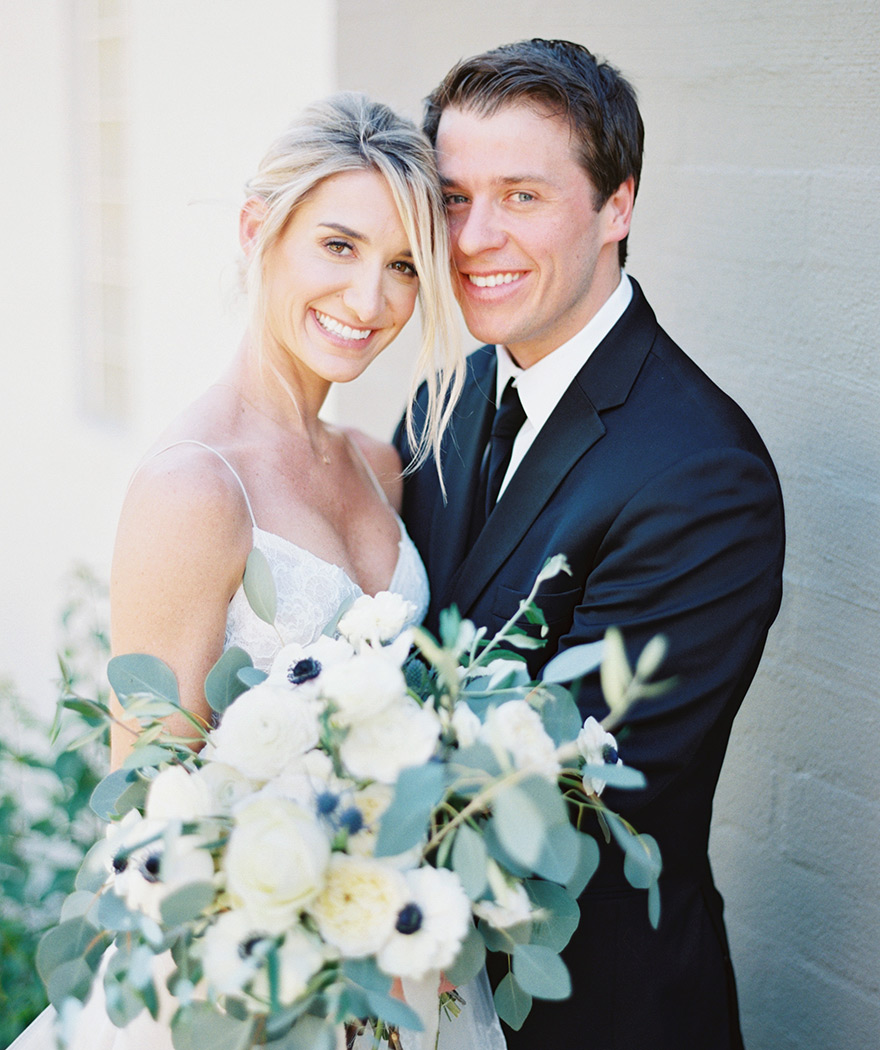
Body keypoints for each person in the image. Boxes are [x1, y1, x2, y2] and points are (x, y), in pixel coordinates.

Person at [11, 93, 505, 1050]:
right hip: (257, 983)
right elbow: (149, 814)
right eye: (339, 246)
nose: (370, 302)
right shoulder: (195, 488)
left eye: (404, 266)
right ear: (257, 229)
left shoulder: (378, 464)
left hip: (402, 959)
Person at [396, 39, 785, 1050]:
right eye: (452, 197)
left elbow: (560, 799)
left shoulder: (700, 476)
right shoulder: (451, 393)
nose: (474, 238)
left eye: (522, 196)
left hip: (592, 1011)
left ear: (617, 207)